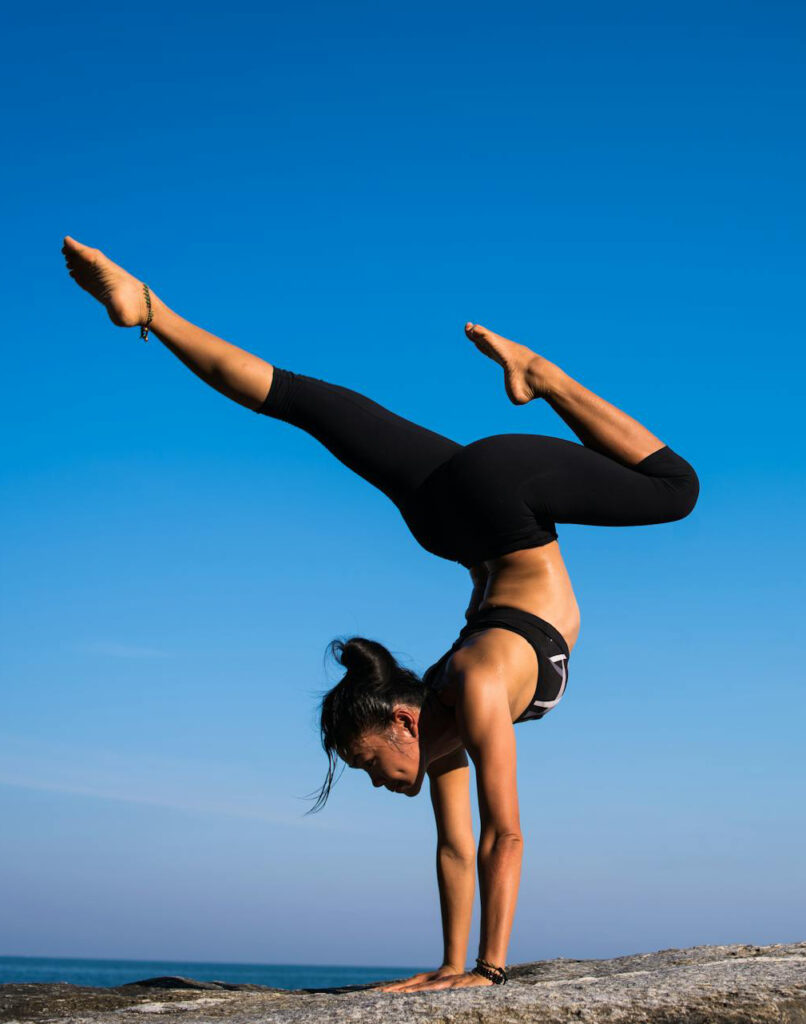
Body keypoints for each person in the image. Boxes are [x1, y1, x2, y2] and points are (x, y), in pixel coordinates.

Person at [61, 236, 699, 992]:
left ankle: (541, 374)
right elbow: (458, 848)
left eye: (366, 762)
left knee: (675, 489)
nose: (375, 782)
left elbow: (507, 834)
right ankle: (150, 311)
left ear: (402, 720)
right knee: (300, 401)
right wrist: (448, 968)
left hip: (504, 501)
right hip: (451, 518)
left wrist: (489, 973)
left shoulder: (473, 684)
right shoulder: (446, 717)